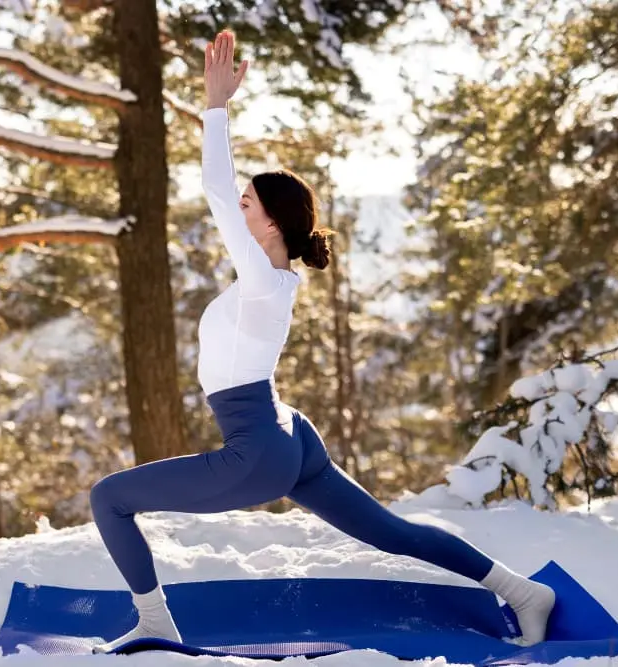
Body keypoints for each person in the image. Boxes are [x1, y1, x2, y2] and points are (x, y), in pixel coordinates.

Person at [89, 30, 555, 654]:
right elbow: (224, 198)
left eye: (249, 202)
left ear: (271, 222)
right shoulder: (271, 282)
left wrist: (216, 105)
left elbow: (213, 189)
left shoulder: (262, 281)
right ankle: (524, 592)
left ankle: (155, 623)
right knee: (391, 531)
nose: (237, 205)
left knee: (109, 498)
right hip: (286, 432)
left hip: (257, 446)